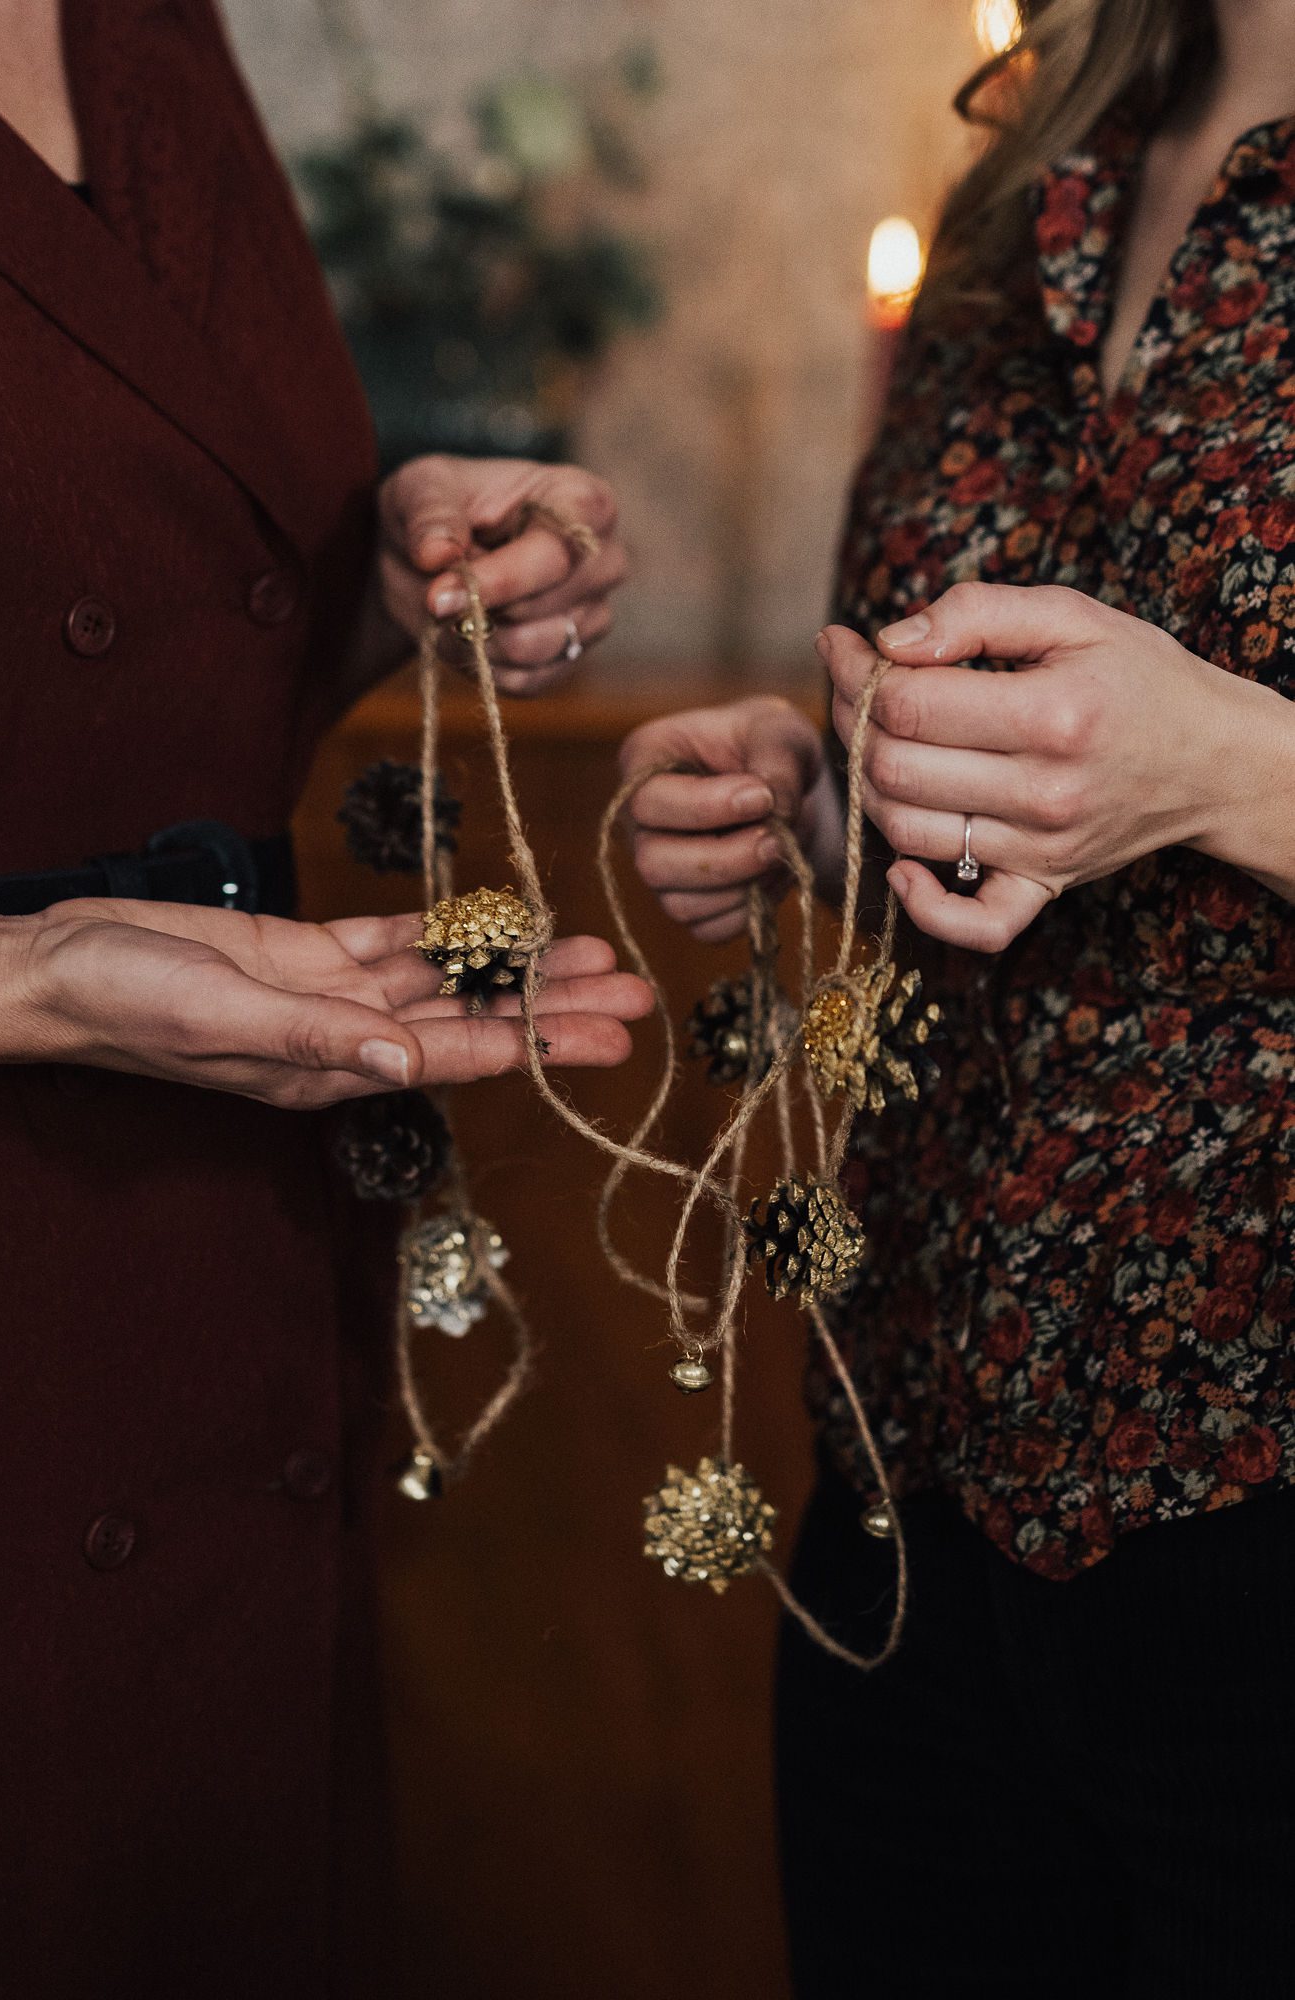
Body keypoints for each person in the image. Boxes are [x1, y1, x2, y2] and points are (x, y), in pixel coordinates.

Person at [0, 4, 650, 1996]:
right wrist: (21, 976)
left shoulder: (143, 28)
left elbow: (140, 633)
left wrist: (421, 568)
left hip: (210, 1257)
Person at [622, 0, 1295, 1992]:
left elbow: (1175, 757)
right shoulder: (1029, 174)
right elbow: (992, 774)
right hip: (917, 1481)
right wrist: (817, 802)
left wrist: (1239, 772)